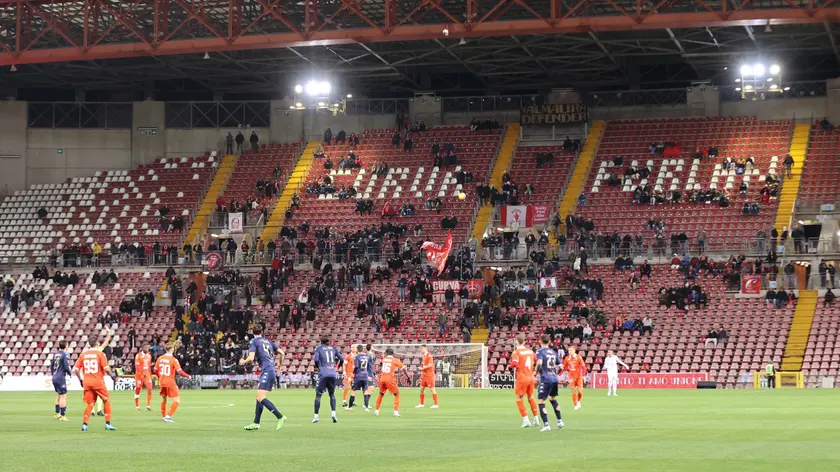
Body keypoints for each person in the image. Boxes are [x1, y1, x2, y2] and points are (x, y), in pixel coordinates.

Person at [239, 325, 287, 431]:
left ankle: (280, 416)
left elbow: (251, 358)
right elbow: (282, 353)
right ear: (262, 331)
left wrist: (242, 361)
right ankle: (256, 423)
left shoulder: (254, 341)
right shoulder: (268, 341)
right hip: (270, 370)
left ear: (253, 333)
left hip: (267, 370)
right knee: (258, 397)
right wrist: (279, 365)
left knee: (260, 397)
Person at [72, 334, 116, 431]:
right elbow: (106, 368)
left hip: (87, 382)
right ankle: (108, 423)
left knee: (90, 404)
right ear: (97, 344)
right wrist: (112, 376)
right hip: (98, 382)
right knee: (106, 400)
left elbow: (75, 369)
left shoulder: (83, 355)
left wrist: (80, 380)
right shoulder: (100, 354)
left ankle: (85, 424)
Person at [154, 340, 192, 423]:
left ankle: (164, 416)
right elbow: (180, 372)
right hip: (170, 382)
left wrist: (160, 376)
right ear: (172, 350)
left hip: (162, 382)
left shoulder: (160, 358)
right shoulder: (173, 360)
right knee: (177, 400)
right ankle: (168, 416)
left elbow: (155, 370)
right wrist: (188, 376)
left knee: (164, 400)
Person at [534, 334, 564, 432]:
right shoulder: (553, 352)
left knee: (541, 401)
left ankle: (546, 425)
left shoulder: (539, 351)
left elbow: (539, 363)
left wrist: (536, 372)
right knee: (552, 398)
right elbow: (561, 366)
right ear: (550, 342)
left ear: (540, 341)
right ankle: (560, 421)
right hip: (554, 379)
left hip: (545, 379)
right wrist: (555, 373)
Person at [509, 333, 539, 428]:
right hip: (531, 377)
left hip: (522, 378)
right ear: (525, 342)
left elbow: (514, 363)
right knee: (531, 397)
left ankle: (526, 420)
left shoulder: (516, 352)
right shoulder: (530, 352)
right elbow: (537, 362)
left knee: (519, 398)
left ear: (516, 342)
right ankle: (536, 419)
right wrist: (535, 372)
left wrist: (510, 367)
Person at [312, 334, 343, 423]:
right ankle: (333, 414)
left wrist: (319, 367)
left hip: (323, 372)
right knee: (332, 394)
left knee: (318, 395)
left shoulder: (318, 348)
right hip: (332, 372)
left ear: (321, 341)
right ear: (329, 341)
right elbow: (342, 359)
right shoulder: (333, 348)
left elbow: (316, 360)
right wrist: (337, 367)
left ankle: (316, 417)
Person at [375, 347, 404, 417]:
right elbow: (403, 367)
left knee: (381, 394)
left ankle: (376, 411)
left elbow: (381, 366)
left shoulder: (384, 359)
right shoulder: (395, 360)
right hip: (389, 379)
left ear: (386, 353)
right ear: (393, 353)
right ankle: (396, 412)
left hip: (382, 378)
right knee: (397, 394)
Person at [347, 344, 374, 412]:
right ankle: (366, 407)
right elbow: (369, 366)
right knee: (365, 391)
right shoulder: (367, 357)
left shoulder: (357, 357)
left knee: (353, 391)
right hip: (365, 376)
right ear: (362, 349)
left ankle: (350, 407)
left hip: (358, 376)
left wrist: (353, 372)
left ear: (357, 350)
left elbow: (356, 366)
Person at [50, 340, 72, 422]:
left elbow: (51, 365)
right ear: (66, 346)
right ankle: (62, 416)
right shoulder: (65, 354)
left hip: (55, 376)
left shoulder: (55, 354)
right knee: (63, 396)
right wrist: (70, 373)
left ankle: (57, 414)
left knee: (59, 395)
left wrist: (53, 374)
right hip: (60, 377)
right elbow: (66, 366)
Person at [562, 345, 586, 410]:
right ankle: (575, 404)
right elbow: (564, 367)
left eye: (571, 350)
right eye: (569, 350)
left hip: (579, 376)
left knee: (580, 392)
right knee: (573, 390)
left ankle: (578, 401)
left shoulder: (579, 357)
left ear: (574, 351)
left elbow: (583, 367)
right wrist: (559, 374)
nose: (570, 352)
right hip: (571, 376)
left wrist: (584, 376)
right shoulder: (567, 358)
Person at [415, 344, 439, 409]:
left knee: (432, 389)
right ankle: (421, 404)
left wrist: (422, 368)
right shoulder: (424, 356)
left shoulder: (429, 355)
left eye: (422, 348)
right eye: (420, 349)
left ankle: (436, 404)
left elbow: (430, 365)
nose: (421, 350)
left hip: (429, 375)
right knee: (421, 389)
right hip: (424, 375)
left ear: (425, 348)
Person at [134, 344, 153, 411]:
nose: (147, 349)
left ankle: (148, 405)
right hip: (139, 375)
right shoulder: (138, 355)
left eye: (148, 347)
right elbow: (137, 366)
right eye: (145, 347)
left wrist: (149, 375)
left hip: (147, 375)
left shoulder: (149, 356)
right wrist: (142, 373)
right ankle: (137, 406)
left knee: (150, 389)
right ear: (142, 348)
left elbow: (149, 366)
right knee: (138, 389)